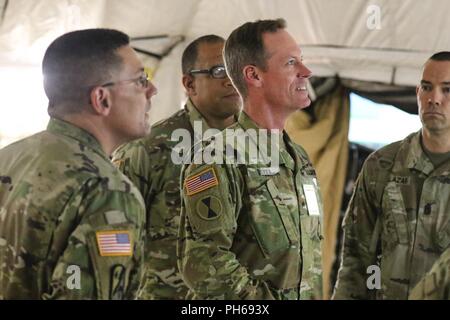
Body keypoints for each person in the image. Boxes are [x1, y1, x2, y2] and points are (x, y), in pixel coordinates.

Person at [0, 28, 157, 299]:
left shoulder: (9, 157)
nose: (152, 90)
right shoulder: (106, 191)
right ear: (101, 99)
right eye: (141, 80)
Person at [177, 18, 323, 300]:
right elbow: (204, 264)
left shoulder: (298, 158)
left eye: (302, 61)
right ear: (254, 76)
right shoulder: (218, 157)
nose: (306, 71)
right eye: (291, 63)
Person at [112, 35, 240, 299]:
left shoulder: (262, 147)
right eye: (219, 71)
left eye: (236, 68)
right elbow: (113, 241)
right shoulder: (147, 150)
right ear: (189, 84)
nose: (231, 79)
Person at [333, 51, 450, 300]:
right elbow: (355, 258)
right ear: (418, 94)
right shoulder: (381, 165)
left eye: (447, 90)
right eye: (427, 88)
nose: (435, 99)